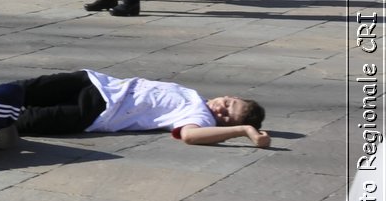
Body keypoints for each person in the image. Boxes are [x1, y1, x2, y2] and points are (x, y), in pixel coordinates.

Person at [14, 70, 269, 147]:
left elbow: (190, 136)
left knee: (23, 120)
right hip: (94, 82)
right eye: (227, 105)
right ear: (229, 95)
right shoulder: (194, 96)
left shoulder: (199, 117)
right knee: (16, 90)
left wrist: (243, 130)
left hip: (98, 111)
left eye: (226, 117)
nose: (220, 110)